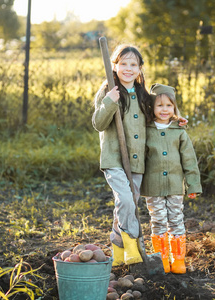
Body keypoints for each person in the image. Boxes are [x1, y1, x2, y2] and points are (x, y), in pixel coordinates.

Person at [92, 45, 187, 267]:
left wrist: (175, 120)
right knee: (125, 200)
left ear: (139, 68)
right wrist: (109, 101)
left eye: (133, 64)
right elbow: (98, 124)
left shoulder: (144, 95)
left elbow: (159, 116)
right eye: (123, 63)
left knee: (127, 205)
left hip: (137, 161)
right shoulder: (108, 91)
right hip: (114, 159)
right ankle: (131, 244)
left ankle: (116, 250)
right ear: (114, 66)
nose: (128, 68)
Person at [141, 83, 202, 274]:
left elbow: (190, 161)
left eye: (169, 105)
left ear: (174, 108)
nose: (164, 110)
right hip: (153, 187)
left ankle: (178, 260)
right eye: (160, 105)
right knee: (157, 220)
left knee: (176, 220)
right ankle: (162, 259)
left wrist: (192, 185)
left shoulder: (179, 131)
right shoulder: (146, 130)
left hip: (176, 186)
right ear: (152, 107)